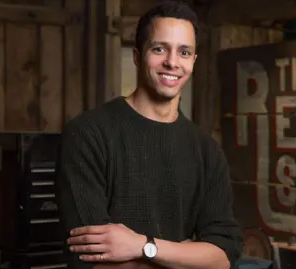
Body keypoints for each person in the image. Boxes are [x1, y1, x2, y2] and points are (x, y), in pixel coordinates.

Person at [54, 1, 244, 269]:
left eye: (184, 52)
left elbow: (223, 256)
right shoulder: (87, 135)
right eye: (159, 49)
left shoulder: (207, 151)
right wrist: (185, 255)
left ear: (194, 61)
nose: (172, 62)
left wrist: (142, 246)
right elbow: (91, 261)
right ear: (137, 55)